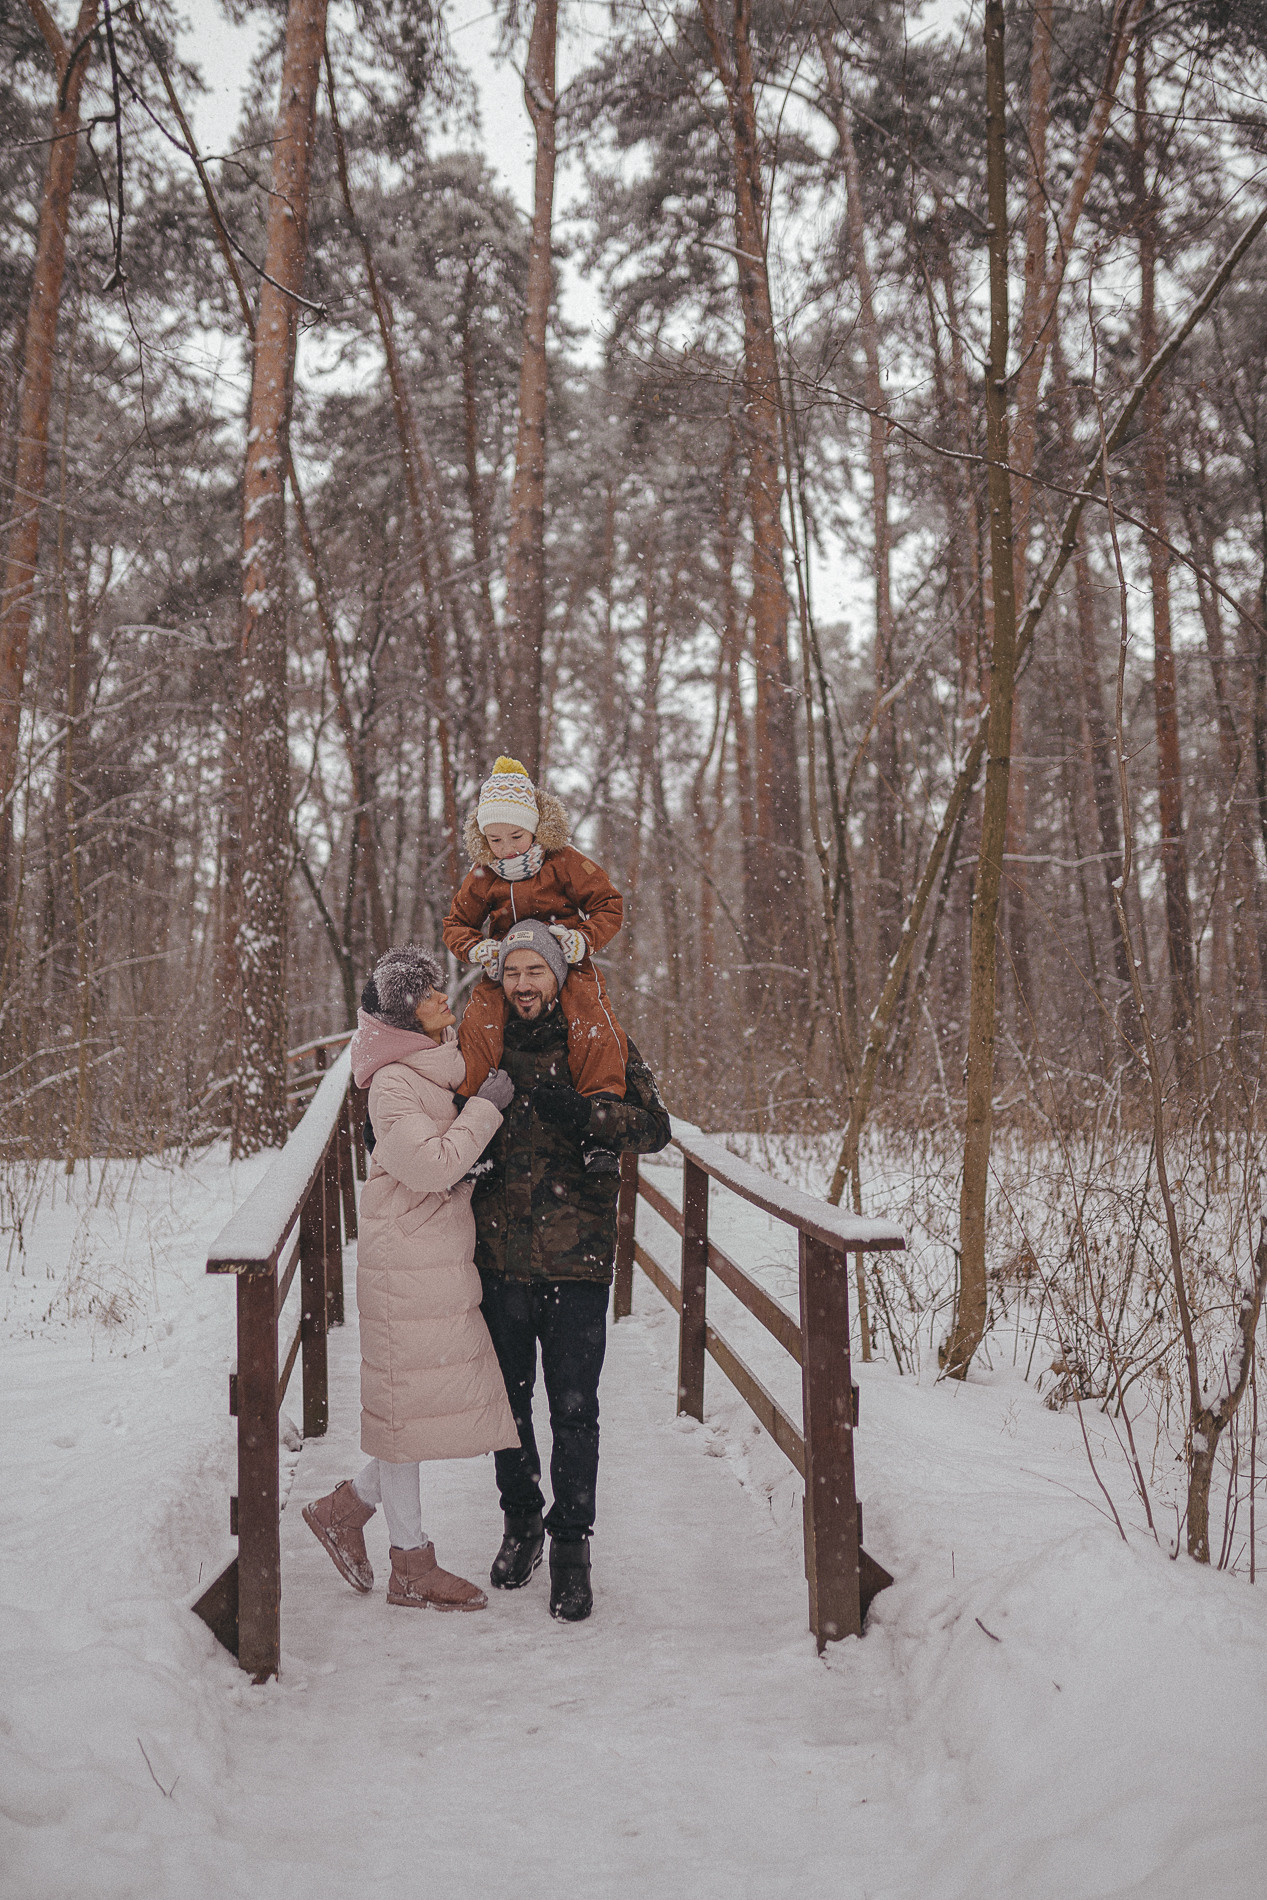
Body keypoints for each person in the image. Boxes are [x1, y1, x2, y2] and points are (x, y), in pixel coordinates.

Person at [302, 946, 519, 1613]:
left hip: (432, 1256)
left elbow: (436, 1161)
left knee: (414, 1412)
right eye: (428, 996)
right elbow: (428, 1168)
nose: (441, 1000)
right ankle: (410, 1564)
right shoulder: (394, 1083)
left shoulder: (426, 1071)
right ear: (404, 1015)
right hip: (405, 1265)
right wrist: (484, 1112)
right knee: (404, 1414)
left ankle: (345, 1511)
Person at [468, 919, 671, 1622]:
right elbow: (425, 1111)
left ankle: (571, 1544)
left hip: (577, 1257)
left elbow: (654, 1127)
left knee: (575, 1409)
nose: (524, 986)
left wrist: (588, 1116)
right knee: (508, 1407)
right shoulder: (480, 1043)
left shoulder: (597, 1039)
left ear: (557, 975)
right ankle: (521, 1522)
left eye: (536, 972)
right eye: (514, 973)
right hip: (495, 1257)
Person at [443, 756, 629, 1175]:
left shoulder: (563, 861)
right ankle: (473, 1125)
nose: (506, 848)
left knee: (591, 1020)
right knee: (479, 1022)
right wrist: (478, 949)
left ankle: (598, 1133)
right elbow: (456, 923)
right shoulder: (483, 876)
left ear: (535, 828)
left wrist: (583, 938)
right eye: (494, 839)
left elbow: (609, 904)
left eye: (515, 836)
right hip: (509, 967)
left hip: (564, 960)